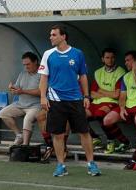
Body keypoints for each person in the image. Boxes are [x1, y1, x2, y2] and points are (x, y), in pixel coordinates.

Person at [39, 24, 101, 177]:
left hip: (75, 99)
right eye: (50, 34)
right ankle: (61, 165)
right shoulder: (48, 54)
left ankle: (91, 164)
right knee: (58, 134)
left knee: (84, 132)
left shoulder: (77, 53)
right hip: (55, 100)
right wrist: (42, 97)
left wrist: (86, 96)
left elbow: (83, 76)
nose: (50, 37)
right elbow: (44, 78)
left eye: (53, 35)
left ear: (63, 36)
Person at [102, 51, 136, 153]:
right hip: (128, 107)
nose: (125, 63)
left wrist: (134, 73)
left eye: (128, 60)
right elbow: (122, 97)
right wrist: (121, 108)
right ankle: (125, 142)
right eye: (125, 61)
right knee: (107, 120)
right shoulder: (125, 77)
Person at [85, 48, 126, 153]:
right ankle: (95, 138)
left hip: (112, 103)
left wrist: (101, 91)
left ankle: (111, 141)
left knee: (100, 114)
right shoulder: (98, 72)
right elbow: (93, 94)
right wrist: (108, 93)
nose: (110, 60)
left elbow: (117, 95)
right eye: (107, 58)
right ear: (103, 59)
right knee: (77, 115)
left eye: (112, 57)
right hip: (96, 102)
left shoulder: (120, 72)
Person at [0, 52, 41, 145]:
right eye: (24, 65)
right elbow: (17, 88)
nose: (26, 67)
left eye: (28, 64)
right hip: (21, 104)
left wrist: (23, 91)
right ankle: (19, 135)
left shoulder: (42, 74)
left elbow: (41, 92)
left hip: (36, 106)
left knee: (27, 119)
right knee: (3, 113)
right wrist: (12, 89)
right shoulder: (22, 73)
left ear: (36, 62)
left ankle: (25, 145)